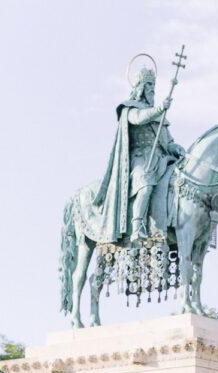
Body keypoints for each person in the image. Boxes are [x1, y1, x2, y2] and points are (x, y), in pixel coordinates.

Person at [92, 67, 185, 243]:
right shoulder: (129, 109)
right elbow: (139, 119)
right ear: (140, 87)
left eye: (153, 85)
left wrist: (176, 148)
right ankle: (138, 225)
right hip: (140, 158)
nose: (152, 88)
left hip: (161, 158)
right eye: (148, 84)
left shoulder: (160, 115)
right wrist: (159, 109)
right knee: (146, 181)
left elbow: (168, 142)